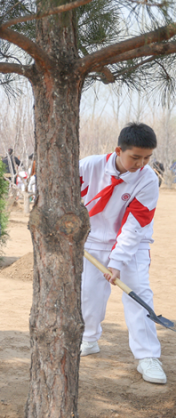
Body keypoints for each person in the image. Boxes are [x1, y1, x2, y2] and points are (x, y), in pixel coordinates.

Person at [78, 122, 166, 384]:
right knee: (89, 295)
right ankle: (88, 339)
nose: (141, 163)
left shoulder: (148, 179)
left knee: (138, 296)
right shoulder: (87, 166)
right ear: (119, 149)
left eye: (148, 157)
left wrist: (117, 262)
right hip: (92, 241)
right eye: (135, 157)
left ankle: (148, 356)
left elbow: (136, 224)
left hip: (133, 245)